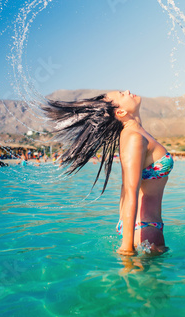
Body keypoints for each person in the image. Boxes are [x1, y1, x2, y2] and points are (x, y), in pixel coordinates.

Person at [42, 90, 174, 256]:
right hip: (144, 230)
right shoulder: (133, 138)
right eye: (121, 94)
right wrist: (127, 249)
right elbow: (129, 192)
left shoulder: (137, 134)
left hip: (144, 227)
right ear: (120, 112)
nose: (127, 91)